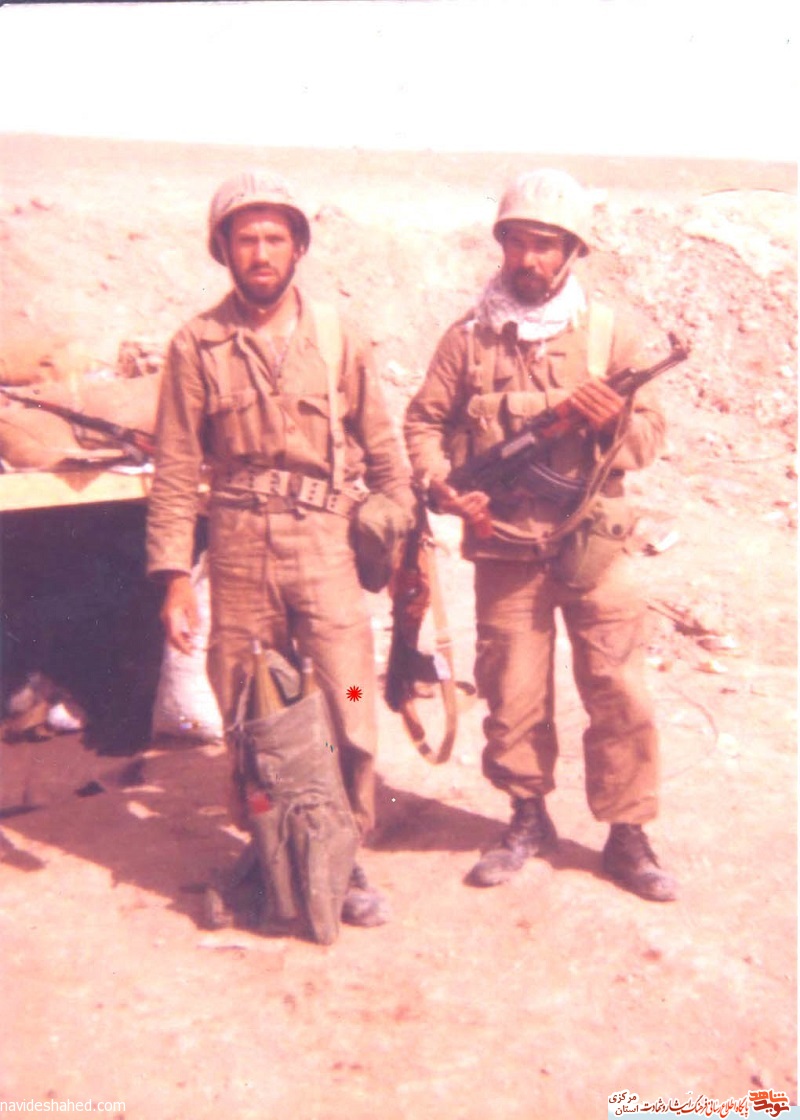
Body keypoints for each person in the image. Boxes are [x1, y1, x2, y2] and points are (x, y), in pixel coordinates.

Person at [146, 170, 415, 927]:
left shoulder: (338, 337)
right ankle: (265, 847)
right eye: (246, 239)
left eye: (274, 238)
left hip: (325, 548)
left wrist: (398, 536)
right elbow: (175, 468)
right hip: (237, 552)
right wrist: (173, 576)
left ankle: (345, 852)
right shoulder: (196, 345)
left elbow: (385, 451)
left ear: (298, 247)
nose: (260, 253)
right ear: (223, 249)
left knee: (348, 696)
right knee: (247, 707)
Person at [404, 169, 677, 902]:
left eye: (546, 245)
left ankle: (627, 833)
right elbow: (424, 422)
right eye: (518, 242)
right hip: (504, 545)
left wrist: (613, 421)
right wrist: (442, 483)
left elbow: (650, 438)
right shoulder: (468, 339)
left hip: (593, 544)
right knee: (511, 693)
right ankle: (527, 816)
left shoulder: (609, 335)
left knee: (618, 689)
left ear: (572, 251)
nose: (529, 258)